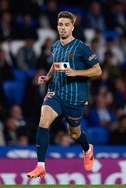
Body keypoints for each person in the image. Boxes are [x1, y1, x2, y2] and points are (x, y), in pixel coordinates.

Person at [26, 11, 102, 178]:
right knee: (43, 120)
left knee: (74, 134)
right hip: (56, 92)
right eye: (60, 24)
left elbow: (97, 70)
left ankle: (87, 149)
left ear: (72, 27)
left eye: (67, 25)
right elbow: (55, 64)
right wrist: (48, 77)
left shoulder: (82, 48)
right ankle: (40, 166)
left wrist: (76, 72)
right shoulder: (55, 46)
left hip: (75, 98)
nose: (63, 28)